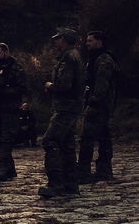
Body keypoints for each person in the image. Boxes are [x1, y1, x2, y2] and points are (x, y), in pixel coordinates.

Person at [38, 29, 84, 198]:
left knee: (50, 141)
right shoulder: (74, 55)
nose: (55, 43)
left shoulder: (68, 58)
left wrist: (50, 86)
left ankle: (56, 184)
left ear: (64, 40)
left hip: (66, 108)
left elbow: (65, 85)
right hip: (70, 107)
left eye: (57, 39)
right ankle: (71, 185)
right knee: (67, 145)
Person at [78, 31, 117, 184]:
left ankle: (84, 172)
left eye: (90, 41)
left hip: (99, 105)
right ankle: (103, 171)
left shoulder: (104, 60)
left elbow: (102, 84)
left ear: (99, 41)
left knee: (87, 138)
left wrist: (93, 101)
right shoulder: (96, 58)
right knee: (104, 137)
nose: (87, 43)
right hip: (100, 103)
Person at [0, 43, 26, 181]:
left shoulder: (16, 68)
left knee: (6, 139)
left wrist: (4, 91)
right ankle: (10, 169)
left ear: (6, 52)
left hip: (10, 108)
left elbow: (23, 88)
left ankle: (2, 169)